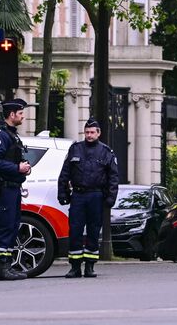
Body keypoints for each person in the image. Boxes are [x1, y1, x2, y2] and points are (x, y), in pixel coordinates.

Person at [58, 118, 119, 279]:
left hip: (96, 196)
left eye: (92, 132)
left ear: (98, 133)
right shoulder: (75, 149)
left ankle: (90, 266)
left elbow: (113, 177)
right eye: (87, 132)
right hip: (78, 195)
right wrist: (62, 193)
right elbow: (65, 173)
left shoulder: (106, 152)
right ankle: (75, 267)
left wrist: (111, 198)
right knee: (75, 230)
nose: (89, 135)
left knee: (93, 231)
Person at [0, 98, 31, 281]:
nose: (22, 117)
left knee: (13, 226)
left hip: (13, 187)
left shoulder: (13, 136)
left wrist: (25, 167)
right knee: (5, 226)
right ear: (11, 115)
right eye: (20, 114)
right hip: (4, 187)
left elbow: (13, 158)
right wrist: (17, 169)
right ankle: (1, 269)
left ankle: (9, 265)